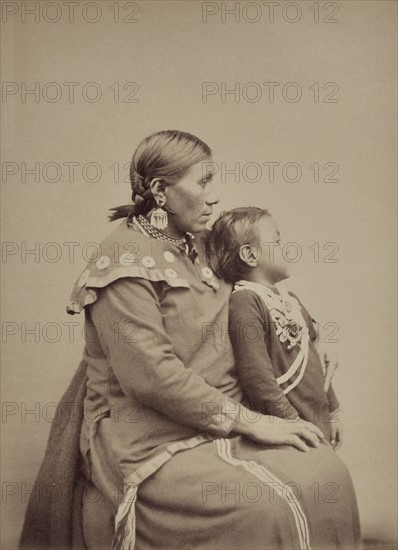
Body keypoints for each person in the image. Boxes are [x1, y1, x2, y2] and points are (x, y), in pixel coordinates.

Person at [20, 130, 360, 550]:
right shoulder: (121, 262)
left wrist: (315, 336)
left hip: (227, 420)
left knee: (328, 472)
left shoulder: (201, 243)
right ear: (161, 190)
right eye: (203, 182)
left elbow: (259, 288)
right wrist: (256, 422)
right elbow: (152, 377)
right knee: (265, 506)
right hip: (150, 436)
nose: (215, 197)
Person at [207, 206, 343, 448]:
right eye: (277, 241)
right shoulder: (245, 301)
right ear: (250, 255)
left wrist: (333, 411)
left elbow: (317, 359)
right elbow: (257, 378)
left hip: (314, 422)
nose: (285, 248)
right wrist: (291, 422)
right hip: (287, 428)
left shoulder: (289, 298)